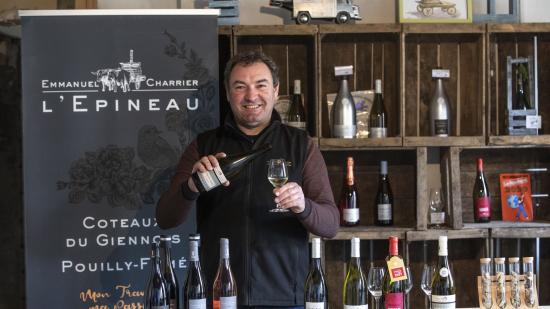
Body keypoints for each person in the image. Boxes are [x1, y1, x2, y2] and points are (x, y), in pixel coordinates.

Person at [156, 50, 339, 309]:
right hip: (219, 296)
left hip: (286, 298)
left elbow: (331, 225)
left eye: (260, 85)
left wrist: (304, 206)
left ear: (276, 91)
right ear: (228, 94)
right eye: (240, 87)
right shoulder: (204, 145)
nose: (251, 96)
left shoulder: (301, 146)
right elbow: (165, 218)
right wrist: (192, 186)